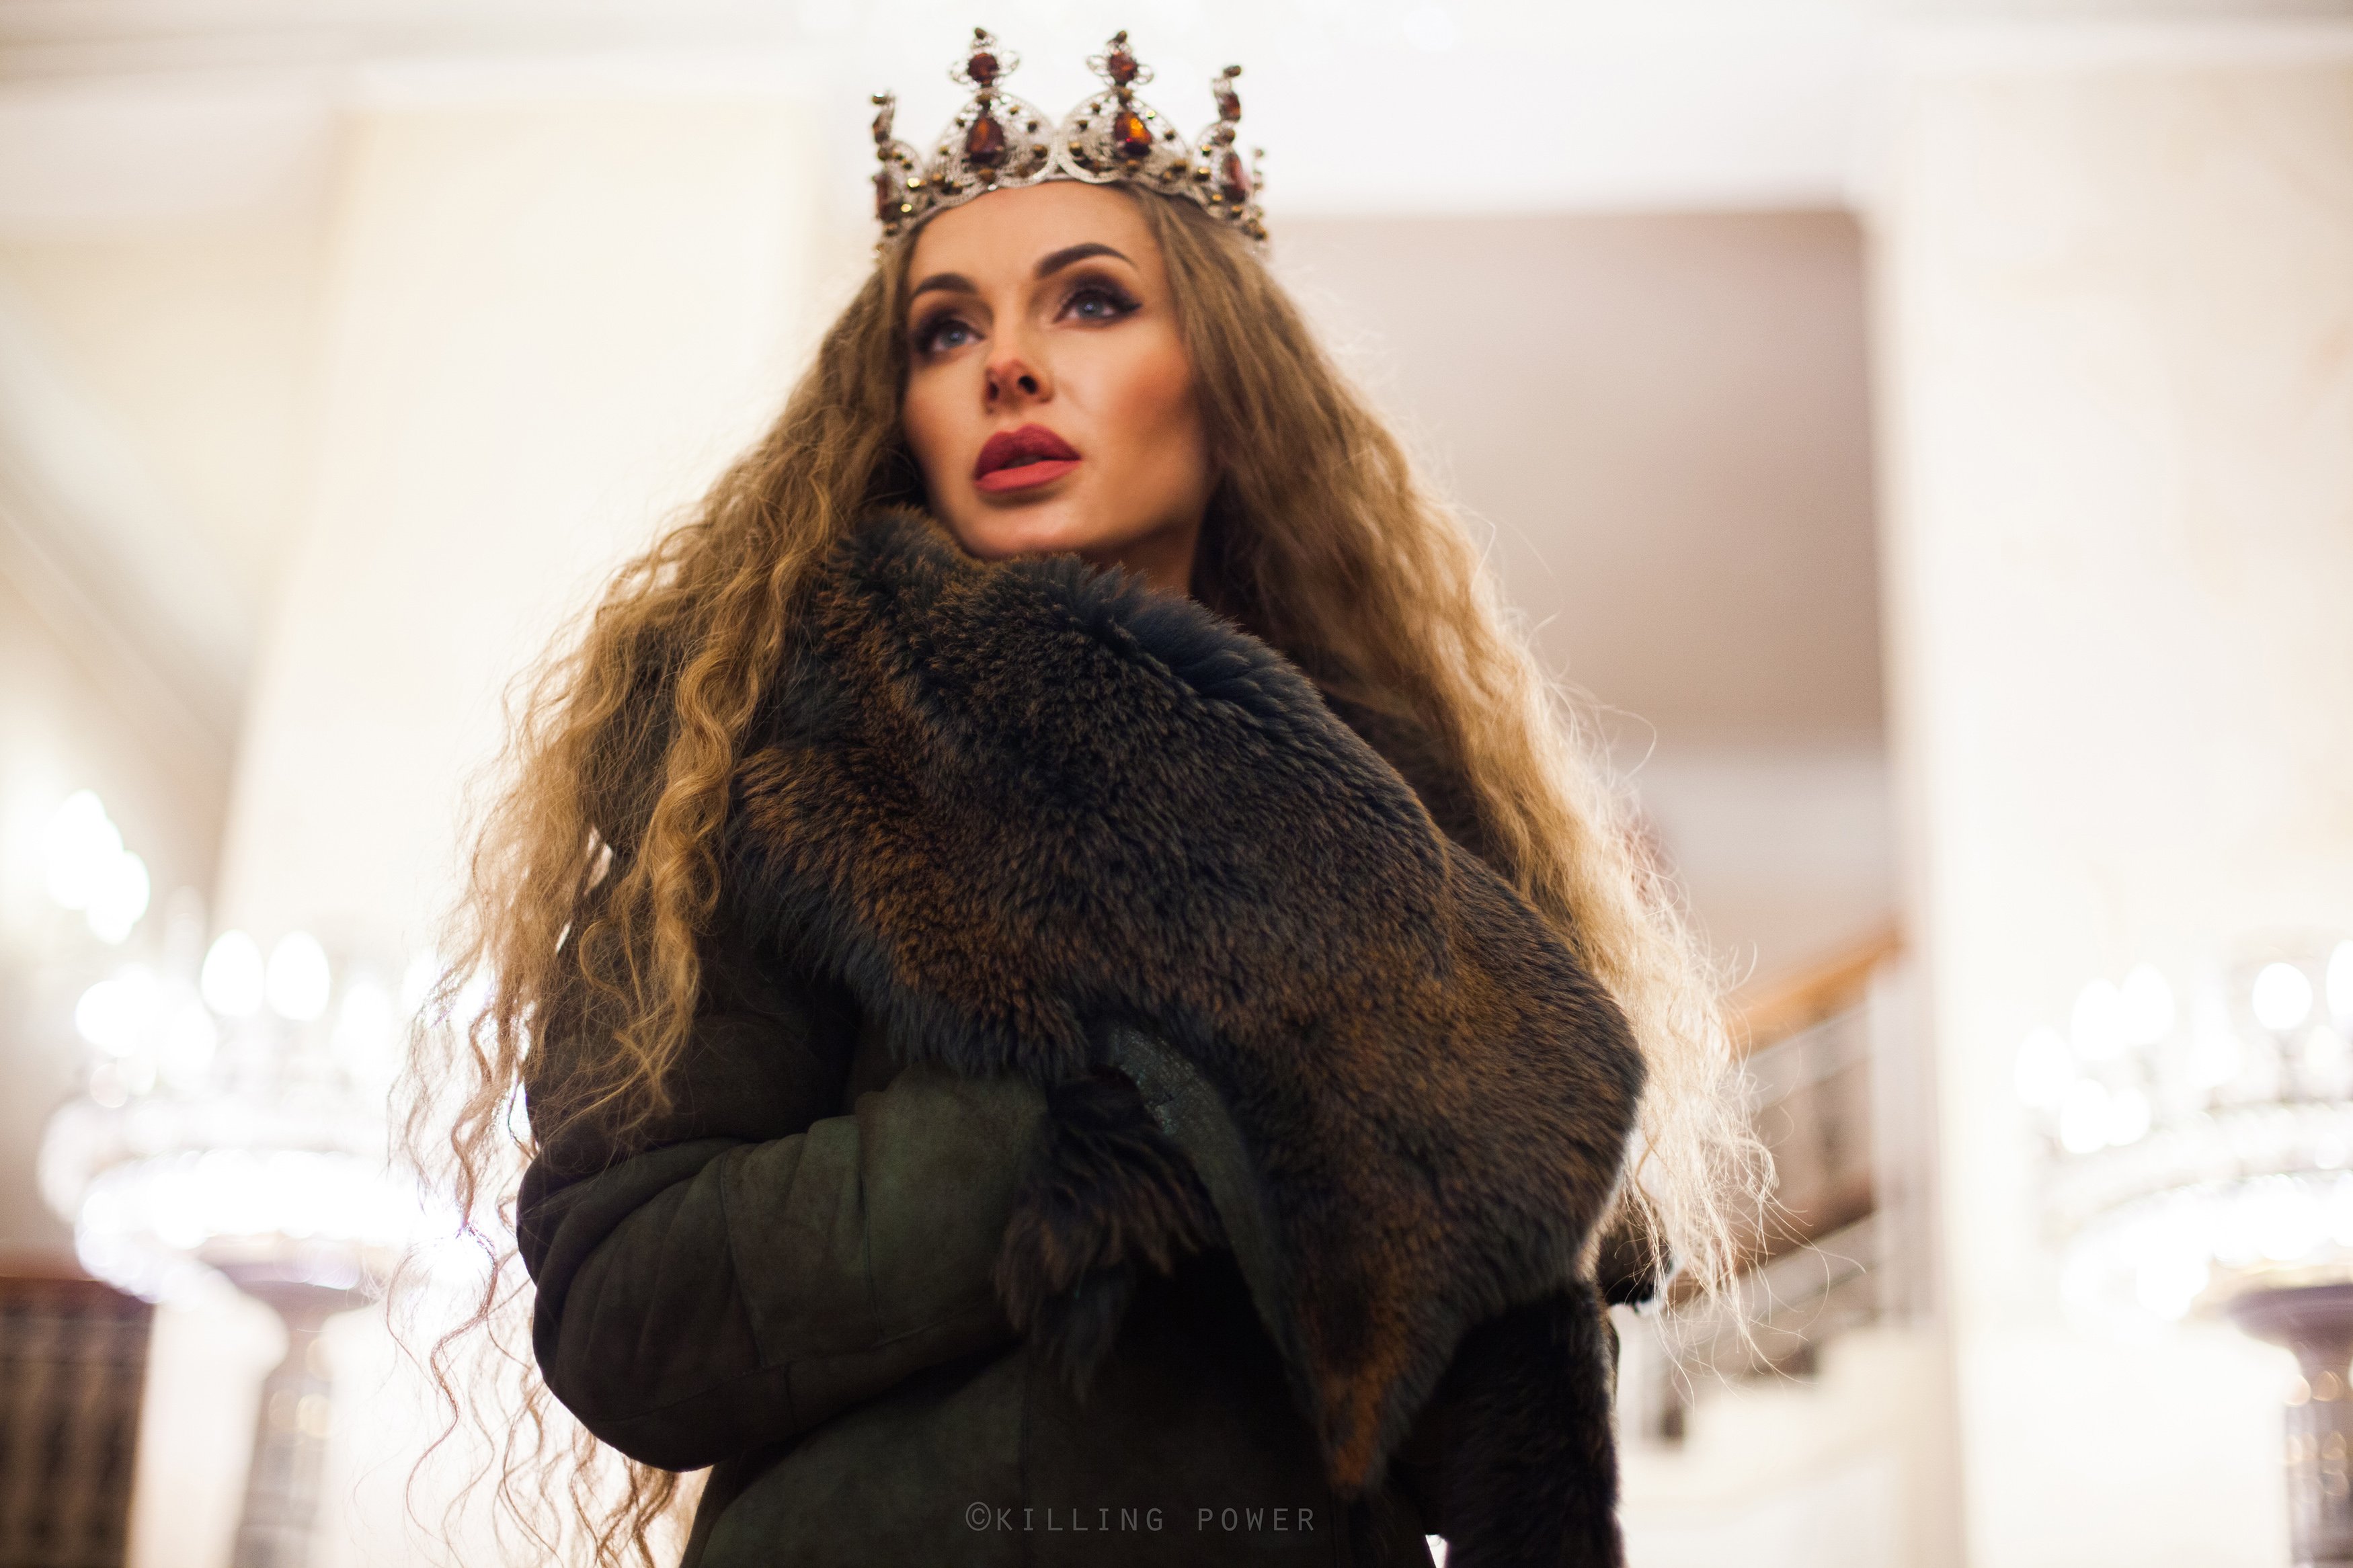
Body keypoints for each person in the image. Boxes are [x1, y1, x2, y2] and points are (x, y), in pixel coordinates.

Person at [410, 28, 1755, 1568]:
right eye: (944, 330)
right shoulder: (771, 760)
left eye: (1092, 302)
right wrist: (1119, 1120)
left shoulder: (1412, 842)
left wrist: (1477, 1179)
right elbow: (630, 1307)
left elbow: (1481, 1437)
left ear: (1227, 383)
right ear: (897, 406)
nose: (1007, 365)